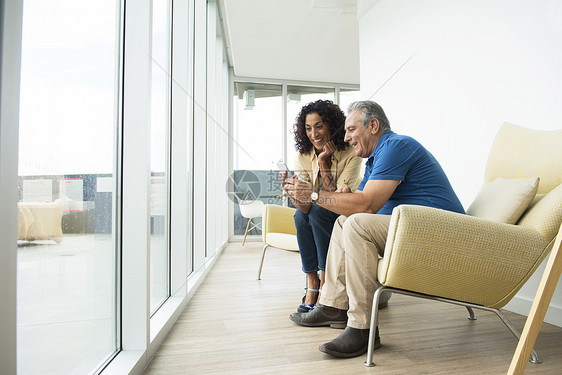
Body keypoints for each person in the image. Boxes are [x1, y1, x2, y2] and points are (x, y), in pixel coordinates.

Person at [283, 100, 465, 358]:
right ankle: (333, 305)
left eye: (351, 129)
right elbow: (358, 203)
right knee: (345, 220)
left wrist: (314, 194)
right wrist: (341, 197)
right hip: (412, 224)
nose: (346, 137)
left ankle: (362, 328)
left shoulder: (396, 146)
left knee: (357, 223)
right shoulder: (374, 161)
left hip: (440, 229)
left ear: (374, 125)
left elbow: (367, 205)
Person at [282, 99, 362, 313]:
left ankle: (326, 284)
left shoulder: (351, 154)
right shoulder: (303, 156)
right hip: (316, 214)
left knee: (318, 211)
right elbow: (306, 208)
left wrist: (325, 165)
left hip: (343, 215)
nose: (314, 133)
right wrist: (293, 193)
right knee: (301, 216)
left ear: (331, 125)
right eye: (308, 128)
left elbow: (337, 200)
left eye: (319, 126)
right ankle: (312, 282)